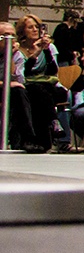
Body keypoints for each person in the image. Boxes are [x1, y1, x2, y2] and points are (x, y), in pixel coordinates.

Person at [11, 15, 68, 152]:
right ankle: (53, 123)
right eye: (30, 27)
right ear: (23, 31)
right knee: (38, 93)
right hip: (29, 85)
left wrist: (46, 50)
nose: (35, 30)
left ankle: (47, 132)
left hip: (47, 85)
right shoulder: (18, 50)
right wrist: (35, 54)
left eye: (37, 27)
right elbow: (24, 73)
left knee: (45, 92)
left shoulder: (50, 47)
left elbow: (52, 70)